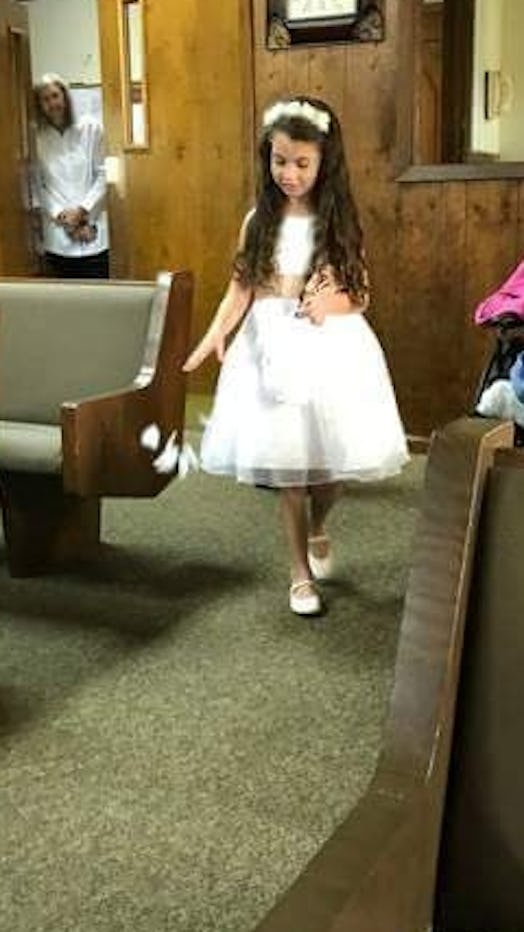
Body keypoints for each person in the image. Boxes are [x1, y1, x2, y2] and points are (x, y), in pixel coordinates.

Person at [183, 96, 408, 616]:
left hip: (330, 349)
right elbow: (239, 289)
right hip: (269, 349)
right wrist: (215, 334)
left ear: (324, 161)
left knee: (328, 473)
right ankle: (298, 573)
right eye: (279, 160)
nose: (288, 173)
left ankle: (319, 526)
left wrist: (330, 300)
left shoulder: (339, 222)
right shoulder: (256, 220)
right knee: (288, 470)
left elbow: (362, 293)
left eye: (301, 163)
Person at [32, 73, 110, 279]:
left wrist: (83, 211)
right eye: (45, 99)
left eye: (55, 96)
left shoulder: (91, 128)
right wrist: (63, 217)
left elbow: (103, 173)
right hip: (58, 238)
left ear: (65, 97)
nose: (52, 103)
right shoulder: (36, 138)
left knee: (97, 300)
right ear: (39, 105)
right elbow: (38, 185)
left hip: (92, 232)